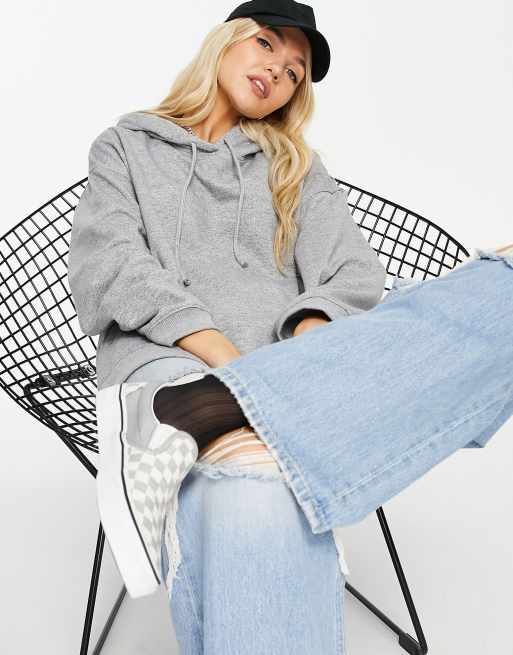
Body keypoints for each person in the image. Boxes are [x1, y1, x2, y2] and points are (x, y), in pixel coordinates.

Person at [68, 1, 513, 652]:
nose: (279, 70)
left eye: (296, 71)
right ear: (224, 42)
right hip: (171, 363)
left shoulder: (294, 168)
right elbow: (108, 265)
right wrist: (228, 359)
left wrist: (309, 339)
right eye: (267, 44)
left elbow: (352, 273)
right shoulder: (127, 146)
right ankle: (235, 417)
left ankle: (215, 416)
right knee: (260, 488)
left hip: (290, 378)